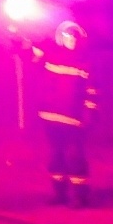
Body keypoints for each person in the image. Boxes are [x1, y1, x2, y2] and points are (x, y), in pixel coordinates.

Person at [32, 20, 98, 206]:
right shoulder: (50, 57)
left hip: (74, 119)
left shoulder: (85, 62)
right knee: (56, 155)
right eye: (69, 36)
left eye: (75, 36)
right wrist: (15, 35)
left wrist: (90, 114)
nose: (72, 40)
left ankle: (80, 197)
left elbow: (93, 91)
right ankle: (59, 195)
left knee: (76, 156)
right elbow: (28, 54)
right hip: (51, 117)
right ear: (61, 37)